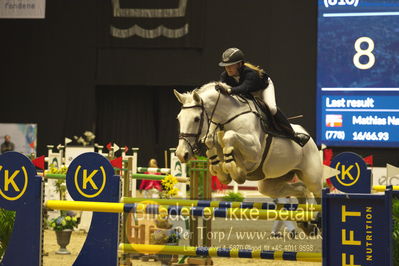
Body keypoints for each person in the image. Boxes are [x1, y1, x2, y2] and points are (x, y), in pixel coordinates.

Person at [216, 47, 309, 147]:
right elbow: (222, 88)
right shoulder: (225, 76)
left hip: (263, 88)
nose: (228, 68)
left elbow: (245, 87)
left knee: (271, 108)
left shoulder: (250, 73)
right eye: (226, 66)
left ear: (239, 64)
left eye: (231, 65)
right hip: (246, 93)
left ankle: (294, 135)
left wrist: (229, 91)